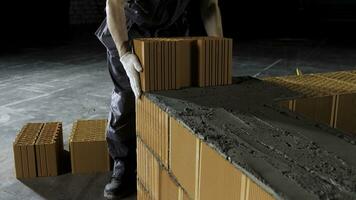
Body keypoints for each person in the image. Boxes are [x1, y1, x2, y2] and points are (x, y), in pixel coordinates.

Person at [95, 0, 223, 199]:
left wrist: (218, 50)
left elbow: (208, 6)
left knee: (176, 94)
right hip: (128, 28)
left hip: (172, 29)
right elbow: (113, 4)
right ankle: (124, 166)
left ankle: (171, 157)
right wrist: (124, 53)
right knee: (127, 97)